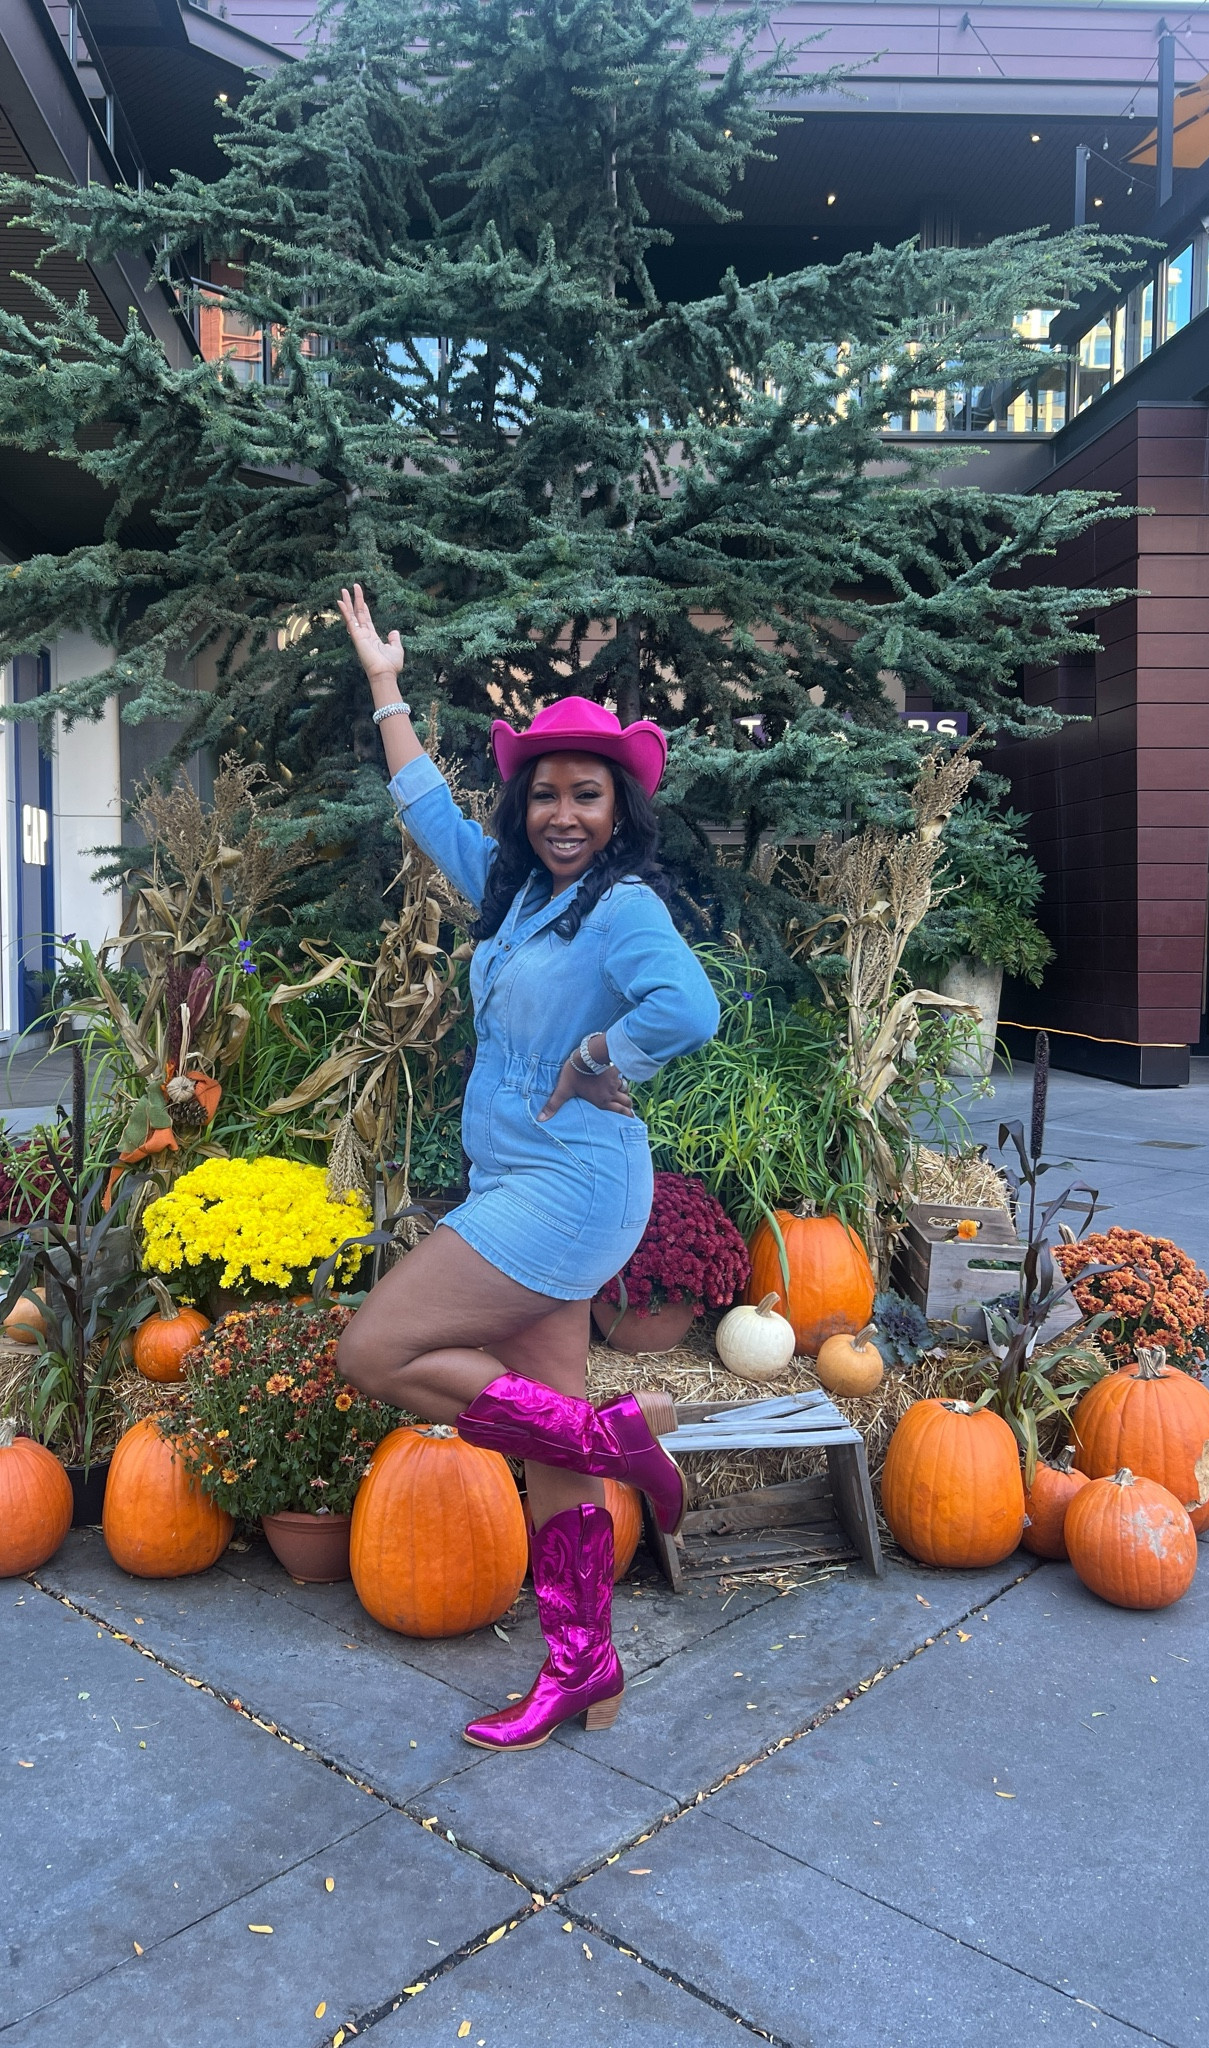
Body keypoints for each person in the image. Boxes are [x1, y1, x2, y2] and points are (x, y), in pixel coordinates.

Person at [333, 585, 720, 1750]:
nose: (562, 812)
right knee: (549, 1444)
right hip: (520, 1185)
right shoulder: (514, 898)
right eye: (544, 793)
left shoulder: (621, 909)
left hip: (572, 1190)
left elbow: (688, 1005)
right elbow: (424, 810)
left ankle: (613, 1440)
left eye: (585, 794)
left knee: (375, 1349)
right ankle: (583, 1665)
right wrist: (385, 685)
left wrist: (607, 1049)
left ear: (618, 807)